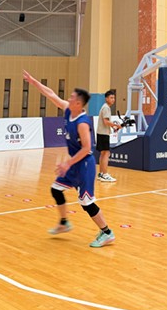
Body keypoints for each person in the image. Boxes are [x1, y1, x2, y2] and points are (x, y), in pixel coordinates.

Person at [22, 70, 115, 247]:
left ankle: (107, 232)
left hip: (84, 165)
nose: (68, 99)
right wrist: (34, 82)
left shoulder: (82, 123)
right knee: (56, 189)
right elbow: (51, 94)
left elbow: (87, 148)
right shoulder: (68, 110)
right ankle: (64, 222)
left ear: (78, 104)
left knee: (86, 202)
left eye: (72, 98)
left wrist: (67, 163)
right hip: (74, 163)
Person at [96, 89, 119, 183]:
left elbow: (106, 122)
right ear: (106, 98)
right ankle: (105, 174)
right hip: (103, 134)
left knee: (103, 153)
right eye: (111, 97)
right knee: (106, 153)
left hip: (101, 133)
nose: (113, 99)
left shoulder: (105, 107)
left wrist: (113, 127)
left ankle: (101, 173)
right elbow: (106, 122)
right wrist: (116, 125)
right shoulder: (106, 108)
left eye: (114, 98)